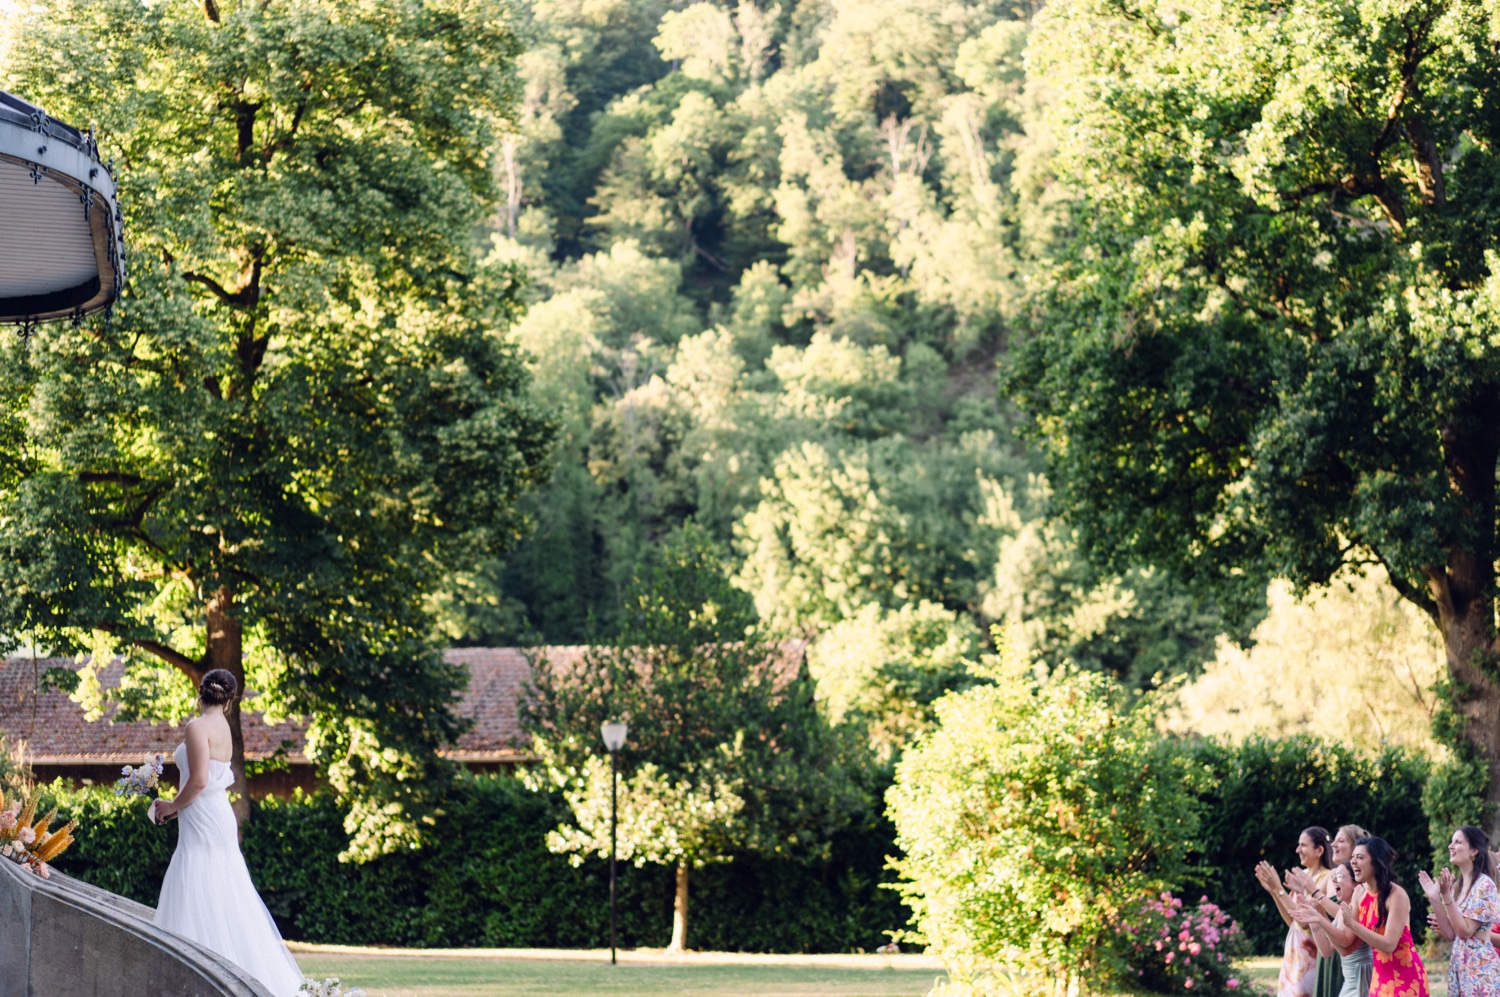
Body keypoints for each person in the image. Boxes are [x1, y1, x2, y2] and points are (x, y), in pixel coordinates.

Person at [154, 669, 304, 997]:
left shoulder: (196, 727)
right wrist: (178, 806)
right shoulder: (223, 728)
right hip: (214, 813)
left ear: (201, 692)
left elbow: (199, 781)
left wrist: (168, 806)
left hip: (204, 815)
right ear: (230, 698)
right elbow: (205, 783)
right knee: (219, 886)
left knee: (197, 879)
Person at [1340, 836, 1429, 997]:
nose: (1353, 861)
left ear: (1376, 862)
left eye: (1360, 857)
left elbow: (1389, 945)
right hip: (1379, 979)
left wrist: (1353, 925)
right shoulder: (1359, 893)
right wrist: (1319, 919)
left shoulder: (1397, 895)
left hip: (1407, 979)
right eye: (1352, 857)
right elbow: (1347, 943)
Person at [1419, 826, 1500, 996]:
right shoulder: (1457, 887)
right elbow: (1451, 934)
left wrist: (1446, 896)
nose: (1450, 846)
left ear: (1474, 851)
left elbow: (1465, 932)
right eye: (1451, 841)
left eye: (1458, 842)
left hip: (1479, 968)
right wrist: (1435, 898)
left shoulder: (1485, 885)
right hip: (1460, 965)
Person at [1257, 826, 1337, 997]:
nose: (1297, 850)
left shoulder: (1328, 877)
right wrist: (1274, 892)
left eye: (1303, 845)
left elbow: (1305, 922)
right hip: (1293, 955)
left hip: (1310, 956)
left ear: (1319, 850)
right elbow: (1292, 921)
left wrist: (1279, 889)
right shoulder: (1303, 874)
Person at [1291, 861, 1371, 997]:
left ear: (1355, 884)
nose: (1333, 879)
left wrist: (1319, 917)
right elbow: (1326, 950)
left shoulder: (1357, 910)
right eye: (1334, 875)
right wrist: (1313, 919)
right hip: (1349, 980)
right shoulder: (1342, 910)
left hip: (1361, 979)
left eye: (1339, 876)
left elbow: (1345, 941)